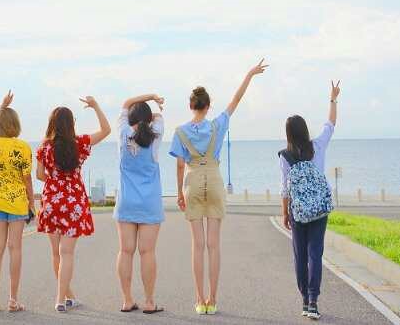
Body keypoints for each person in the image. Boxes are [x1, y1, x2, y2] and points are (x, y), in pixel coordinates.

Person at [170, 59, 268, 315]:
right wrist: (249, 74)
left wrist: (180, 192)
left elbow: (180, 166)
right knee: (214, 245)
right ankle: (213, 300)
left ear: (191, 106)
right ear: (208, 105)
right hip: (214, 180)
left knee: (197, 245)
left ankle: (199, 299)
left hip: (191, 181)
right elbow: (236, 100)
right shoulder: (217, 124)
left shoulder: (180, 132)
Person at [36, 96, 111, 312]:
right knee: (67, 253)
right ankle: (61, 299)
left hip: (52, 201)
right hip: (74, 202)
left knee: (56, 253)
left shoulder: (44, 147)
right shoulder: (80, 143)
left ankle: (68, 296)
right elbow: (106, 130)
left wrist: (55, 177)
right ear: (72, 124)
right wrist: (96, 106)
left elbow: (40, 175)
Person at [279, 80, 340, 321]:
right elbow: (331, 124)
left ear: (288, 134)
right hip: (319, 210)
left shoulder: (285, 156)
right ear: (305, 130)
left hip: (298, 211)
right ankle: (314, 301)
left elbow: (284, 189)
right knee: (316, 253)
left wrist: (285, 213)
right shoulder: (318, 146)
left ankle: (304, 299)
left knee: (300, 255)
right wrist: (333, 99)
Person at [115, 93, 166, 314]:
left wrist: (149, 95)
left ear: (130, 119)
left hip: (127, 202)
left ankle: (127, 300)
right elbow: (158, 116)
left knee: (125, 251)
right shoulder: (156, 135)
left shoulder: (123, 133)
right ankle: (149, 301)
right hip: (150, 202)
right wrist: (154, 104)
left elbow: (125, 103)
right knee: (148, 252)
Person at [0, 90, 33, 313]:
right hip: (17, 204)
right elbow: (27, 180)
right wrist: (32, 205)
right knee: (15, 249)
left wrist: (1, 105)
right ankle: (13, 300)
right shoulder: (23, 147)